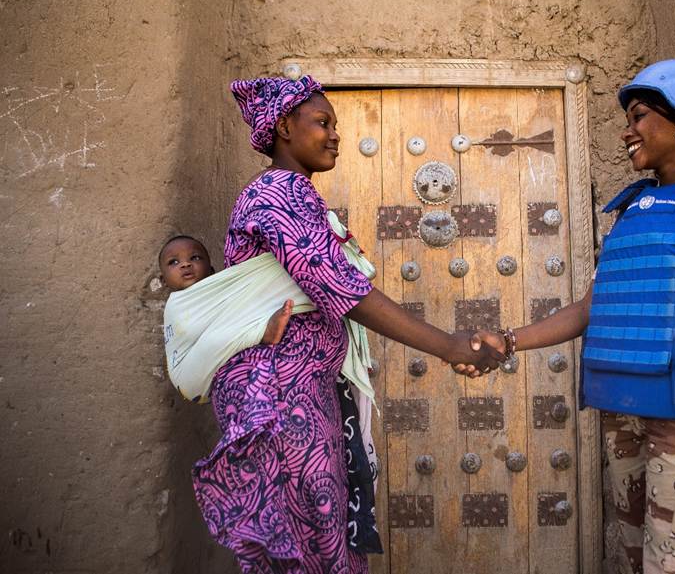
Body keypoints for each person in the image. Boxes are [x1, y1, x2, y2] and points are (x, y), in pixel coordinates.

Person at [468, 59, 675, 574]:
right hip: (626, 416)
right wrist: (508, 341)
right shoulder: (633, 210)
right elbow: (593, 308)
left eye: (640, 116)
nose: (627, 130)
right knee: (637, 562)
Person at [192, 75, 504, 574]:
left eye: (336, 124)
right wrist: (448, 344)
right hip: (279, 397)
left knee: (316, 534)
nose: (334, 133)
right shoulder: (278, 193)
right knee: (310, 540)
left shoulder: (296, 194)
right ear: (284, 127)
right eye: (322, 122)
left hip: (293, 389)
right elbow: (337, 285)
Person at [158, 235, 293, 349]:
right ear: (163, 280)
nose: (185, 264)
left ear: (211, 271)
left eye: (195, 258)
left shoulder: (224, 293)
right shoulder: (174, 309)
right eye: (174, 262)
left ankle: (264, 332)